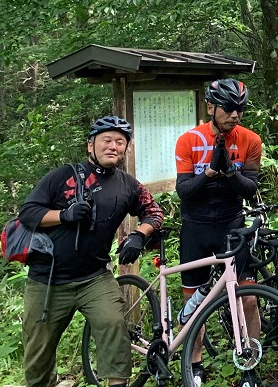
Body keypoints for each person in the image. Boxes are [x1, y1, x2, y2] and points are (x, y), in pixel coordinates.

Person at [19, 115, 164, 387]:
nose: (113, 146)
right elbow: (28, 212)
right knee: (38, 352)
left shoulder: (127, 184)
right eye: (106, 140)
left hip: (94, 277)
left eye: (120, 142)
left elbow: (154, 212)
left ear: (126, 149)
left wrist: (138, 235)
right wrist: (64, 215)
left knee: (114, 327)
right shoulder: (63, 176)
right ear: (90, 145)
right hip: (47, 280)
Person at [173, 78, 263, 387]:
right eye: (228, 109)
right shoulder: (189, 140)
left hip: (231, 226)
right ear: (211, 107)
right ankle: (195, 365)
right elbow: (184, 191)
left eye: (240, 109)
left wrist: (230, 172)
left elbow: (251, 189)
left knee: (248, 299)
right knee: (194, 304)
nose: (236, 115)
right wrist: (210, 171)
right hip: (196, 228)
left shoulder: (250, 139)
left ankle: (249, 364)